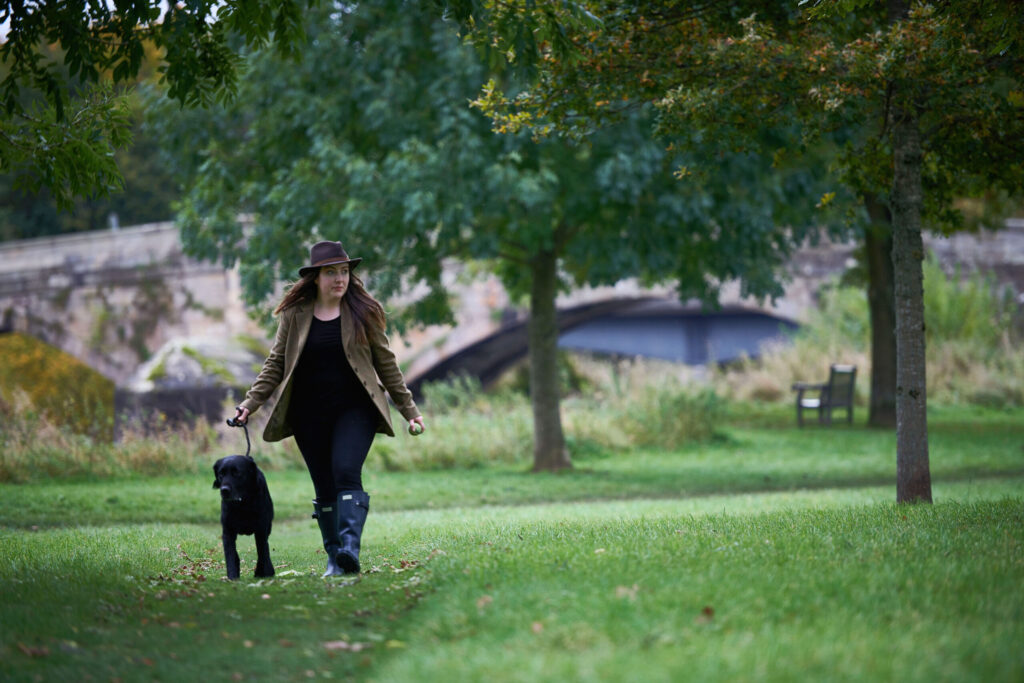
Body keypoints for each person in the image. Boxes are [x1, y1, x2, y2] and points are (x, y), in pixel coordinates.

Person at [233, 240, 424, 577]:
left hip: (356, 409)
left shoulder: (364, 312)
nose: (340, 279)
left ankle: (350, 548)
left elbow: (386, 363)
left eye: (344, 272)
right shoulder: (295, 315)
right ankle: (335, 558)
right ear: (316, 278)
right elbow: (276, 364)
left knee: (346, 471)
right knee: (323, 485)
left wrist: (409, 409)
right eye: (332, 272)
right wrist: (249, 404)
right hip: (309, 413)